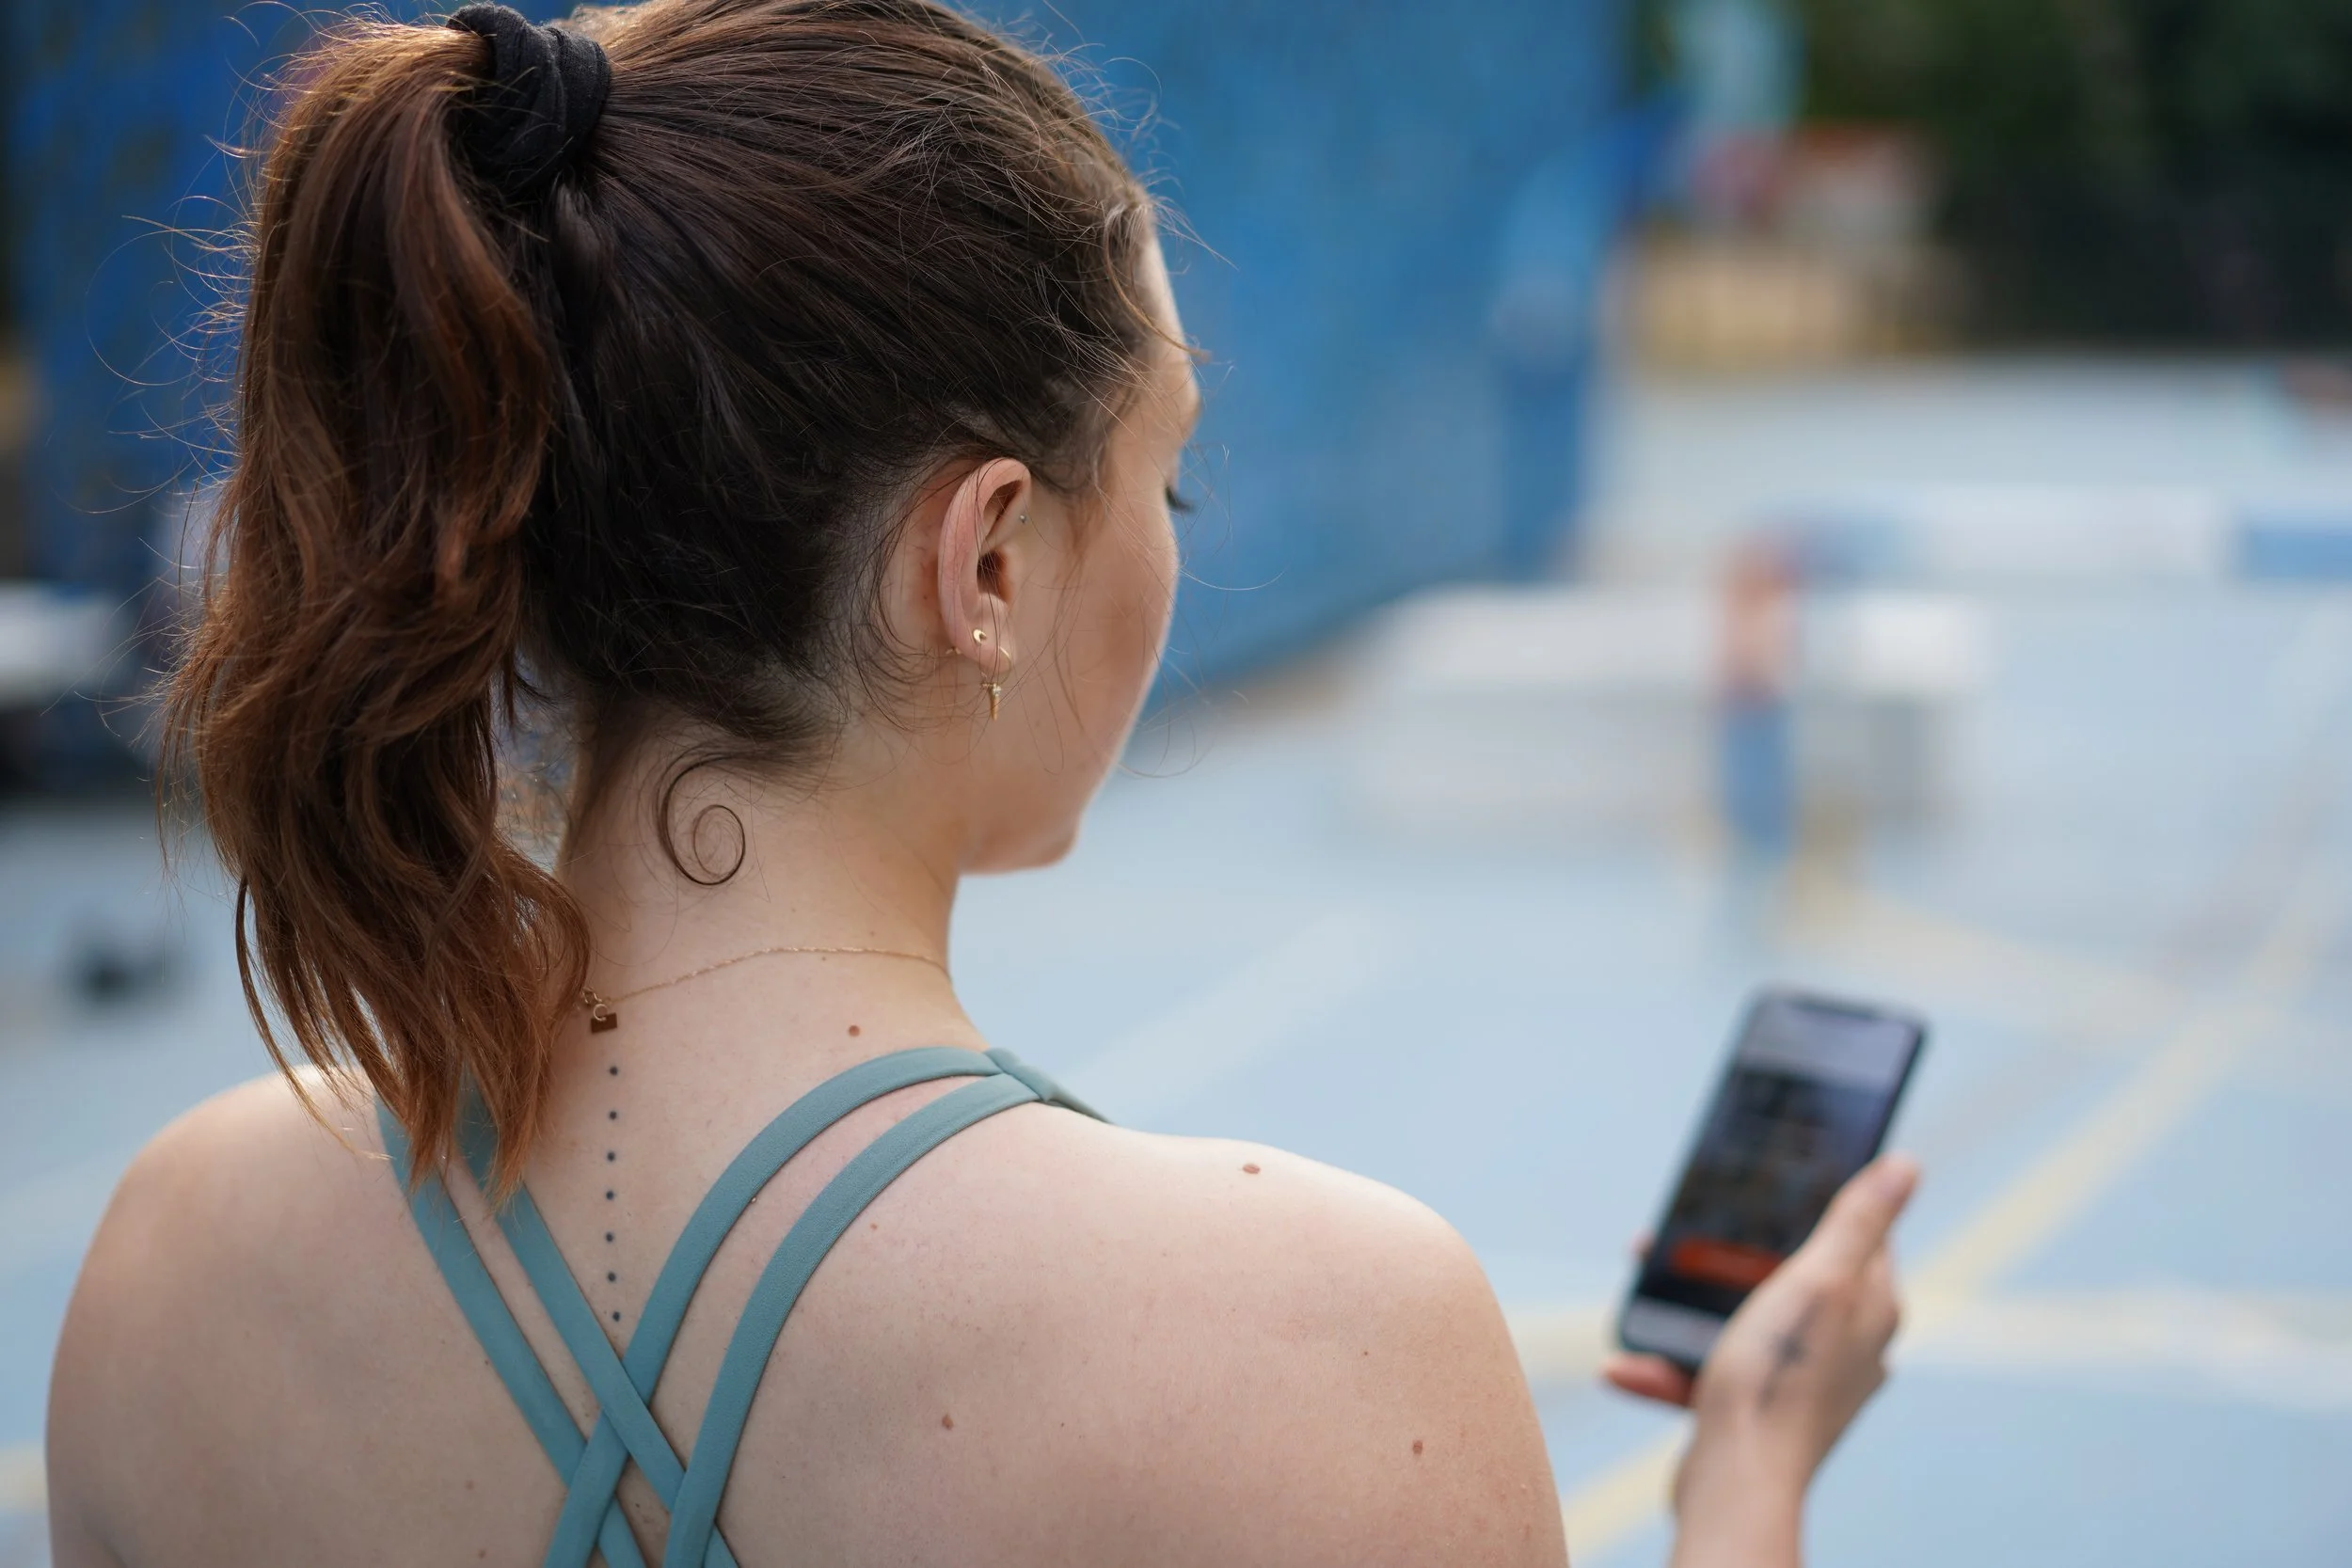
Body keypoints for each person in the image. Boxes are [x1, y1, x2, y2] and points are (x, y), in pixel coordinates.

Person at [44, 3, 1917, 1563]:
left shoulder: (167, 1264)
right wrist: (1741, 1488)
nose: (1169, 548)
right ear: (988, 562)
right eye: (1161, 474)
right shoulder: (1316, 1337)